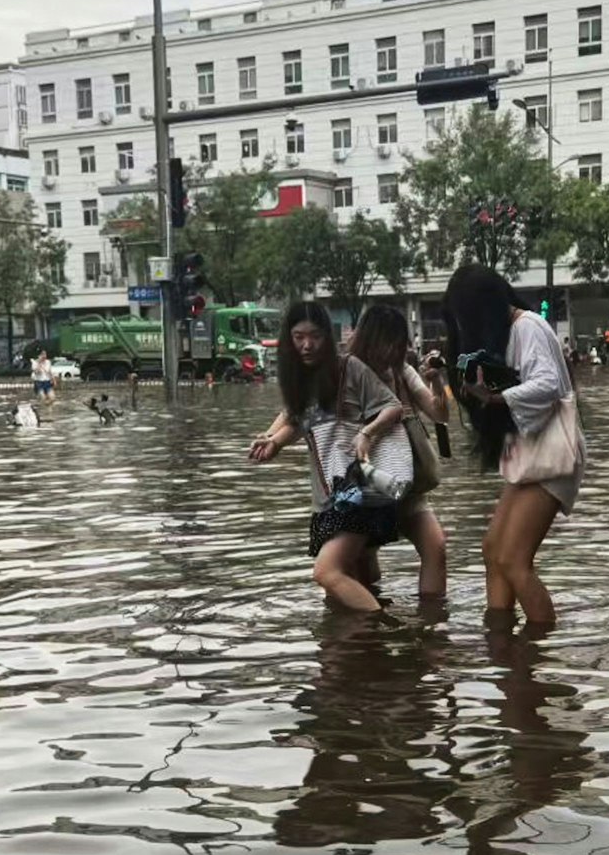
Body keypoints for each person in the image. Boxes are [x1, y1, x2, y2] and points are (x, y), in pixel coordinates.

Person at [444, 264, 584, 628]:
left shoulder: (527, 326)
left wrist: (495, 399)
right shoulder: (507, 334)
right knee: (493, 550)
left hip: (552, 453)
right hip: (530, 453)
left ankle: (539, 645)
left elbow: (549, 385)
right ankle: (501, 640)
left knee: (513, 559)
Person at [250, 301, 405, 613]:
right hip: (327, 495)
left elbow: (393, 407)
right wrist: (274, 442)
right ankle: (366, 651)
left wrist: (367, 432)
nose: (307, 345)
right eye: (298, 337)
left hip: (356, 490)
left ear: (327, 336)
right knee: (348, 582)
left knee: (326, 572)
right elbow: (301, 423)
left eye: (315, 336)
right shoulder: (300, 379)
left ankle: (389, 631)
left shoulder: (350, 368)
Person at [348, 304, 451, 601]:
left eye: (397, 341)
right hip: (364, 485)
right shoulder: (347, 371)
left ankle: (431, 624)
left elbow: (439, 414)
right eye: (386, 340)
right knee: (363, 565)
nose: (392, 349)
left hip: (406, 481)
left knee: (436, 546)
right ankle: (369, 627)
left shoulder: (401, 370)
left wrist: (436, 380)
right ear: (369, 338)